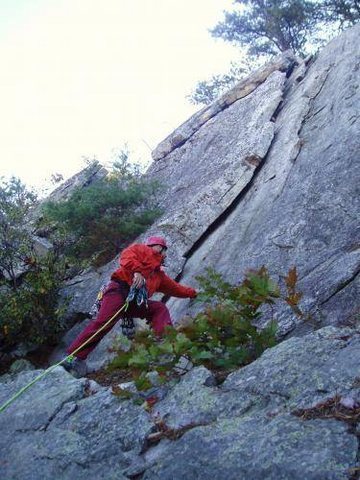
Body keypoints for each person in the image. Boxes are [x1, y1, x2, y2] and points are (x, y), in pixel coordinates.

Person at [64, 236, 197, 376]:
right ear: (157, 246)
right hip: (118, 291)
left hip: (133, 302)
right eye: (164, 250)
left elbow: (176, 289)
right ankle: (73, 357)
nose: (165, 254)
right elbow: (126, 256)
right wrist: (137, 271)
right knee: (103, 323)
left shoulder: (158, 276)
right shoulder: (141, 249)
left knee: (158, 308)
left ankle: (164, 342)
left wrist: (193, 293)